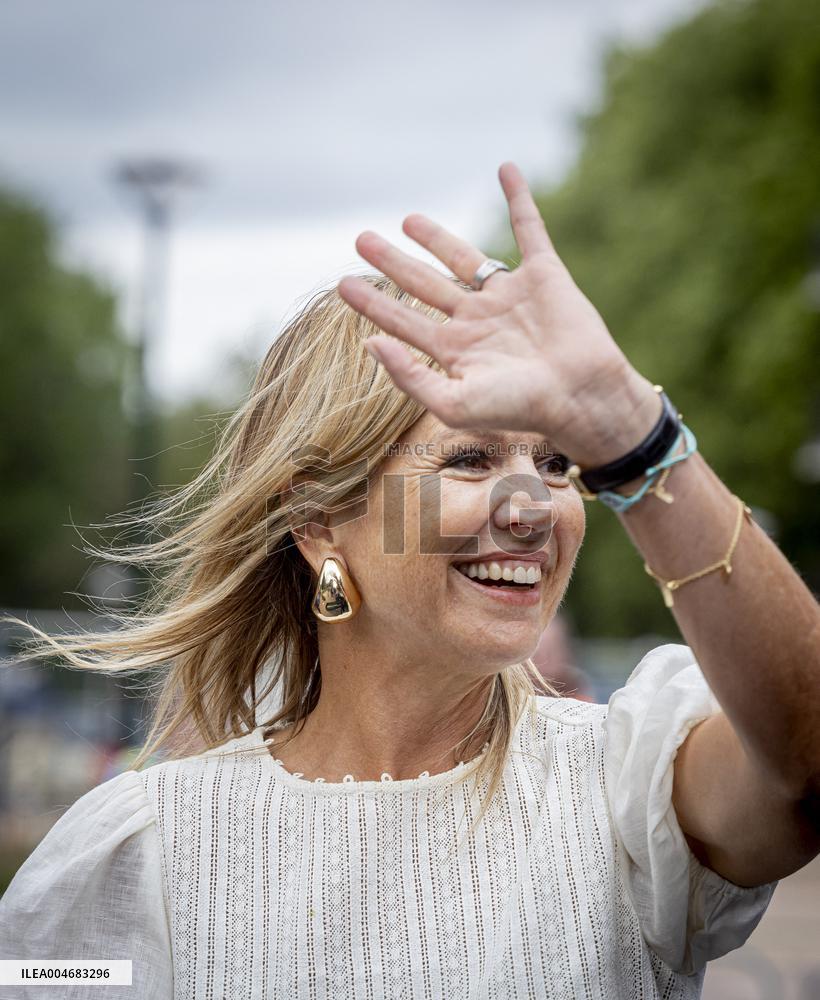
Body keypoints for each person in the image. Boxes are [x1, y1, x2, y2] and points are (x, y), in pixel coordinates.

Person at [1, 162, 818, 999]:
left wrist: (631, 427)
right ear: (318, 519)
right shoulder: (144, 850)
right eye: (470, 458)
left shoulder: (631, 793)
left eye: (558, 462)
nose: (535, 508)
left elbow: (807, 765)